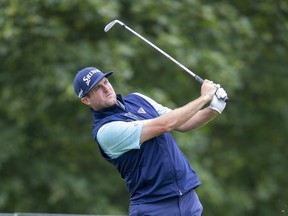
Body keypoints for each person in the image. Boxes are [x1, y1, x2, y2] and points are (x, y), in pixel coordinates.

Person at [73, 66, 227, 216]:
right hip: (154, 206)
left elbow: (183, 122)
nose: (106, 88)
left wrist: (214, 108)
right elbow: (165, 125)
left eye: (105, 82)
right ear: (86, 100)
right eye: (97, 88)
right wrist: (205, 97)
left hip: (188, 199)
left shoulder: (137, 99)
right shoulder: (105, 131)